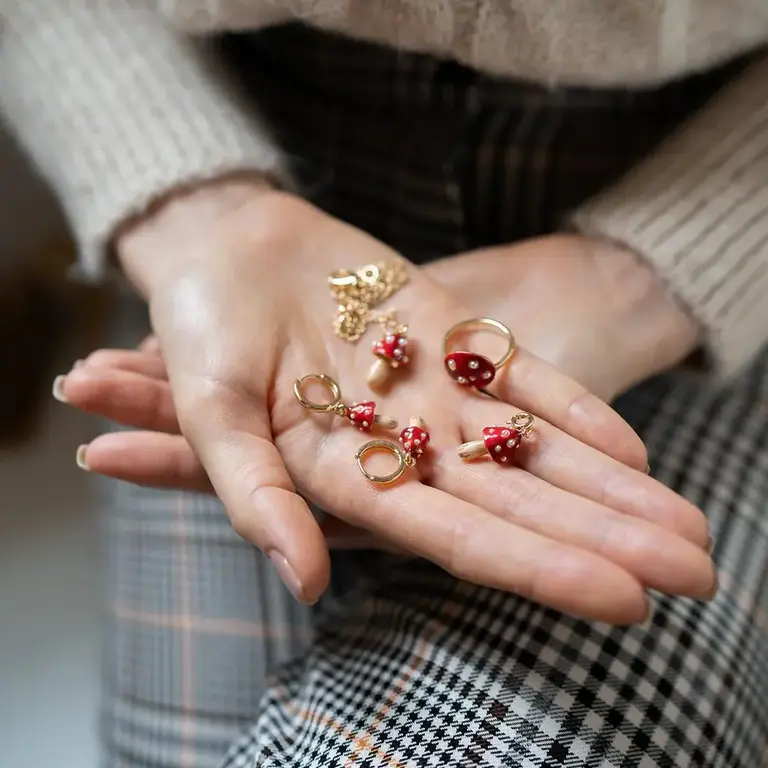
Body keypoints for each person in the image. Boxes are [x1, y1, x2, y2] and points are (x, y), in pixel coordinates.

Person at [4, 2, 768, 766]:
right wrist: (194, 213)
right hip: (241, 164)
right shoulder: (342, 366)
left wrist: (650, 274)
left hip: (708, 220)